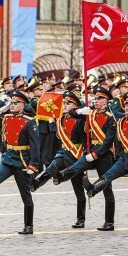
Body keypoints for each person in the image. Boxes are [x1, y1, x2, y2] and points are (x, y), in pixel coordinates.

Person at [86, 92, 128, 234]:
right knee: (108, 175)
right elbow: (118, 140)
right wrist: (116, 155)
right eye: (126, 105)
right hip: (124, 159)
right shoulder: (121, 121)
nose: (127, 107)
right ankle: (93, 189)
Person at [52, 86, 117, 231]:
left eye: (99, 98)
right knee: (76, 167)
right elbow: (71, 112)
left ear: (106, 101)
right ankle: (61, 176)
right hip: (91, 150)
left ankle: (109, 222)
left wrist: (95, 154)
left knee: (106, 186)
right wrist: (80, 111)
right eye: (95, 97)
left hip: (103, 154)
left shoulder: (110, 118)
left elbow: (108, 141)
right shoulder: (90, 113)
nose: (96, 100)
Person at [0, 89, 40, 234]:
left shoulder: (29, 122)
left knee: (25, 194)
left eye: (16, 103)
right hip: (8, 158)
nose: (12, 105)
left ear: (23, 105)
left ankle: (28, 225)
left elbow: (36, 145)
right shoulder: (6, 118)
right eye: (11, 102)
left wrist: (34, 164)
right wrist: (3, 109)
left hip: (22, 161)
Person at [31, 90, 86, 228]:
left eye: (69, 103)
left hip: (76, 155)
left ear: (75, 105)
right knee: (52, 166)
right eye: (65, 102)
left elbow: (85, 142)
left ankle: (81, 219)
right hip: (63, 152)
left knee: (78, 189)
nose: (65, 105)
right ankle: (36, 183)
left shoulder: (79, 121)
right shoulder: (60, 119)